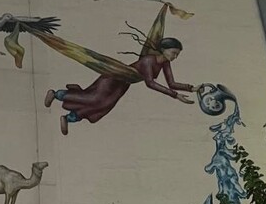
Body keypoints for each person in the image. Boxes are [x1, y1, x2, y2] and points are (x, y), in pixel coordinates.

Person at [45, 37, 196, 135]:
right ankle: (57, 94)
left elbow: (172, 83)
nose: (175, 56)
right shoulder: (148, 61)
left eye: (177, 54)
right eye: (173, 53)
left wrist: (192, 88)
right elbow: (150, 83)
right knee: (94, 99)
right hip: (114, 78)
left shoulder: (165, 63)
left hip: (123, 85)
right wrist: (175, 95)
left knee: (102, 107)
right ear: (163, 50)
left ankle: (69, 118)